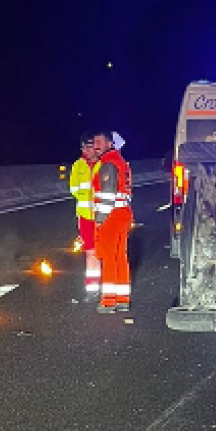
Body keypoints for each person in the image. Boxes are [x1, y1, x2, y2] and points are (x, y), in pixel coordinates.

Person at [91, 130, 133, 313]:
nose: (96, 145)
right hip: (124, 213)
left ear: (110, 144)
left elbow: (107, 195)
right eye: (94, 142)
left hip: (112, 215)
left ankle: (108, 301)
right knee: (120, 256)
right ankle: (123, 299)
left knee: (108, 257)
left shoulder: (108, 164)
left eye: (100, 141)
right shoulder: (121, 162)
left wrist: (100, 221)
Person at [68, 134, 101, 300]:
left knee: (106, 252)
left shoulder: (105, 164)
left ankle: (110, 286)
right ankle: (92, 289)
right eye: (83, 148)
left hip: (104, 216)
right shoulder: (78, 166)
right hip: (86, 217)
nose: (86, 151)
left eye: (89, 147)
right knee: (91, 253)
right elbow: (74, 189)